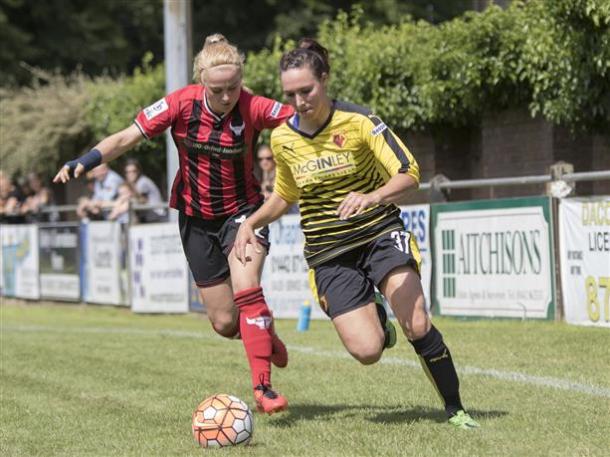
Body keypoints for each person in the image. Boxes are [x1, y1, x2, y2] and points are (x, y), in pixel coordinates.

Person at [234, 38, 479, 429]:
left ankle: (455, 409)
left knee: (416, 323)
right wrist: (251, 222)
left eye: (307, 90)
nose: (299, 101)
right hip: (329, 252)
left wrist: (372, 196)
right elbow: (285, 195)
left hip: (379, 233)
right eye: (291, 94)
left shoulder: (360, 121)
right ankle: (379, 321)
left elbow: (409, 172)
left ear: (325, 80)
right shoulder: (282, 138)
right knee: (367, 351)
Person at [54, 34, 294, 414]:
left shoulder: (252, 106)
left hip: (243, 213)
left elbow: (304, 120)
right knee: (223, 322)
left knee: (247, 289)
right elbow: (127, 137)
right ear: (201, 82)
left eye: (234, 87)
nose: (228, 96)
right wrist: (86, 159)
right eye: (218, 90)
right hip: (195, 218)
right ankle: (266, 334)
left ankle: (263, 389)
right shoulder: (179, 103)